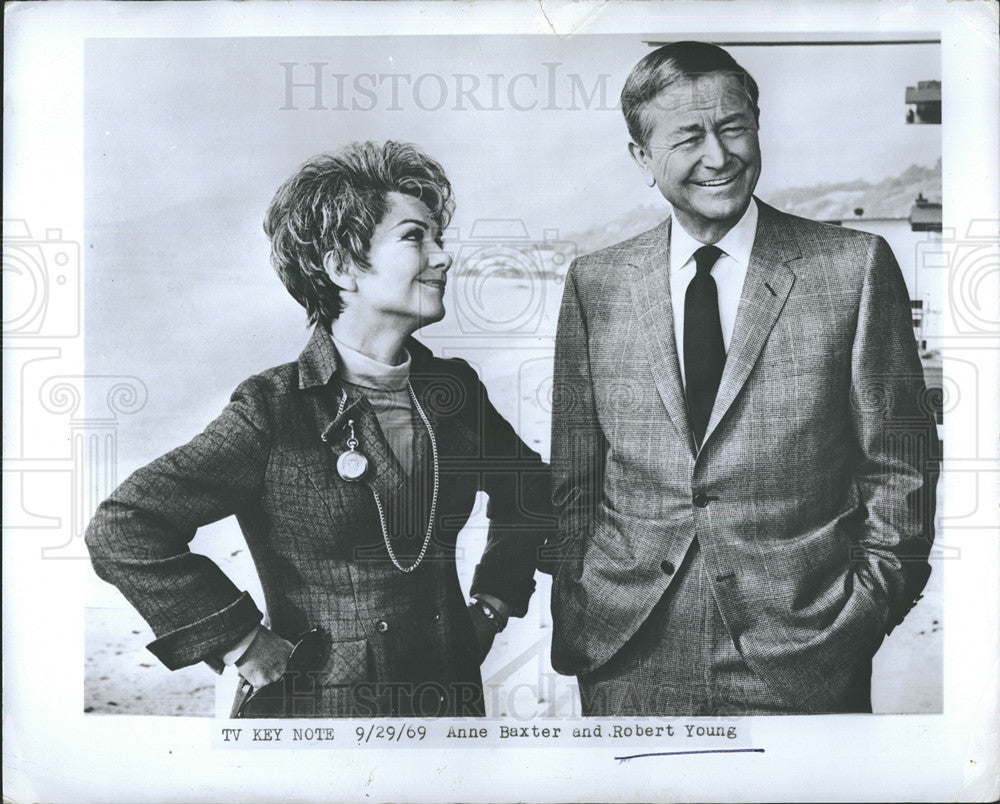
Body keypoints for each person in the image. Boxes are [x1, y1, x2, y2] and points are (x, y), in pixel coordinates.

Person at [86, 141, 551, 718]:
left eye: (439, 238)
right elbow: (124, 526)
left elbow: (531, 488)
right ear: (340, 267)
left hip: (449, 705)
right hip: (317, 715)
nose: (443, 257)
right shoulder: (274, 408)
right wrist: (241, 641)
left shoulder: (452, 392)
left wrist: (491, 606)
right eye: (414, 237)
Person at [544, 42, 939, 715]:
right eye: (689, 136)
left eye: (734, 128)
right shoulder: (596, 283)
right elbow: (574, 477)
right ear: (642, 157)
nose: (719, 156)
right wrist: (582, 602)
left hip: (804, 655)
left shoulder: (854, 269)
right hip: (627, 653)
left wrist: (862, 612)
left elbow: (900, 468)